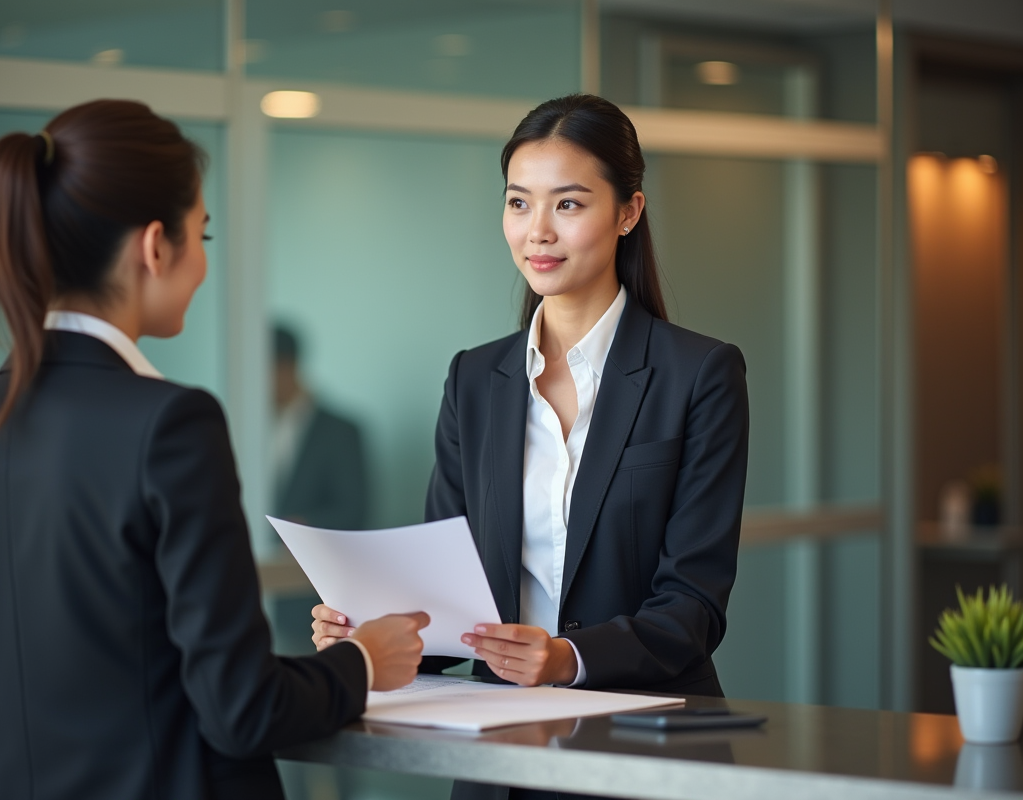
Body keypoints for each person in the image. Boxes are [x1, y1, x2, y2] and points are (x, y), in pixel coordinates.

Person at [0, 99, 428, 800]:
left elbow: (4, 686)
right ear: (155, 245)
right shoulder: (169, 424)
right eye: (205, 236)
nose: (202, 266)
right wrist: (363, 660)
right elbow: (243, 709)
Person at [311, 94, 749, 800]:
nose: (537, 232)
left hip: (644, 748)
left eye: (568, 205)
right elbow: (441, 586)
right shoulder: (475, 379)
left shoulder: (699, 374)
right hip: (498, 756)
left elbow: (693, 606)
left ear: (628, 212)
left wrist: (566, 657)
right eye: (519, 203)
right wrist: (369, 632)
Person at [271, 324, 369, 531]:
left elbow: (353, 511)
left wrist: (302, 526)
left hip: (305, 559)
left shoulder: (341, 432)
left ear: (286, 367)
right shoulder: (245, 429)